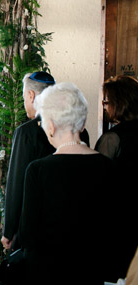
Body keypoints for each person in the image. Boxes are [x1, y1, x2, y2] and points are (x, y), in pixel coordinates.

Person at [19, 82, 114, 285]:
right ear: (82, 122)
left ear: (50, 126)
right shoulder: (108, 167)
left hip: (48, 272)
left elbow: (28, 235)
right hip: (94, 272)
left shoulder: (38, 170)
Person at [1, 71, 90, 251]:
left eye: (24, 96)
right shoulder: (79, 131)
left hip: (37, 223)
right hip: (79, 223)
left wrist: (9, 230)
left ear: (31, 95)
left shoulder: (26, 132)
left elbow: (17, 182)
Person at [95, 75, 138, 281]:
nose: (105, 106)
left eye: (106, 101)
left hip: (118, 219)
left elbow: (97, 181)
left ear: (119, 102)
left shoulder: (112, 138)